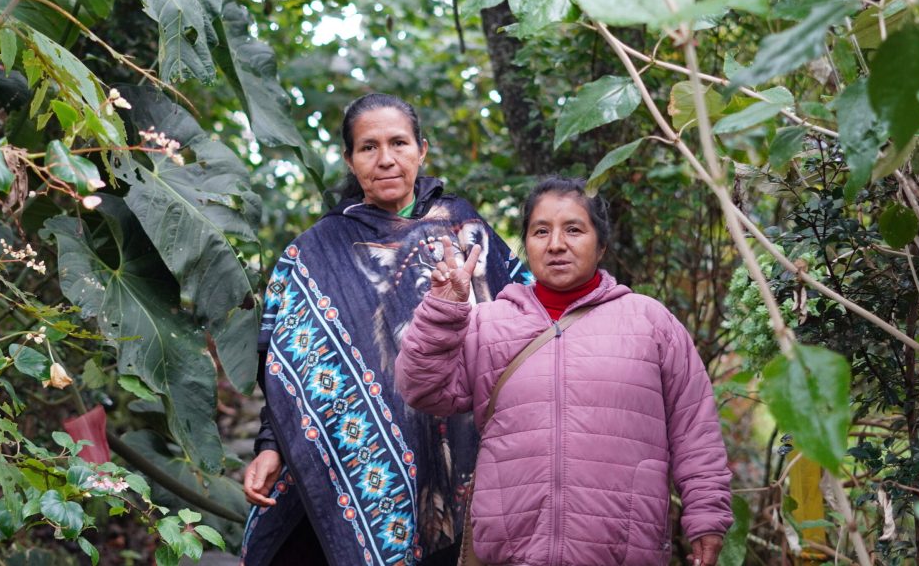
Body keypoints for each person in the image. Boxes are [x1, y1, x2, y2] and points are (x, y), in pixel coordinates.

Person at [240, 93, 530, 566]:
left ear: (423, 150)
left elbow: (523, 330)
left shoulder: (467, 231)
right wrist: (271, 447)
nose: (386, 159)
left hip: (463, 461)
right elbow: (285, 367)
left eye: (398, 143)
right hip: (352, 464)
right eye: (368, 147)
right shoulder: (316, 253)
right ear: (351, 161)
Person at [395, 177, 733, 566]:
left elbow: (696, 432)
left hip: (622, 552)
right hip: (512, 552)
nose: (556, 244)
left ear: (601, 245)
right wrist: (443, 310)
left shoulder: (650, 322)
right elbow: (422, 389)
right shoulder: (488, 324)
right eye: (541, 231)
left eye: (574, 229)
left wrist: (707, 518)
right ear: (527, 244)